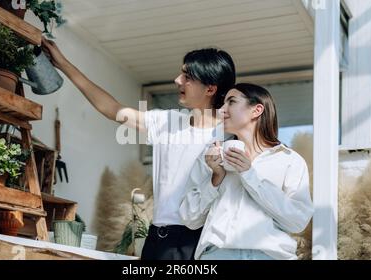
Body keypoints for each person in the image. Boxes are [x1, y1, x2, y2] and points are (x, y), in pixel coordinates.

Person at [41, 38, 236, 260]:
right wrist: (63, 64)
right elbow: (111, 108)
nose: (177, 80)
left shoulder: (229, 136)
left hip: (198, 244)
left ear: (210, 88)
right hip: (156, 240)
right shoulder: (167, 121)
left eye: (187, 77)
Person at [179, 83, 314, 260]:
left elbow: (297, 221)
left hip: (269, 256)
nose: (222, 110)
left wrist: (249, 174)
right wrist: (216, 178)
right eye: (222, 103)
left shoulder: (289, 160)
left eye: (231, 102)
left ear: (257, 110)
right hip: (218, 255)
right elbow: (189, 218)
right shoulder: (211, 156)